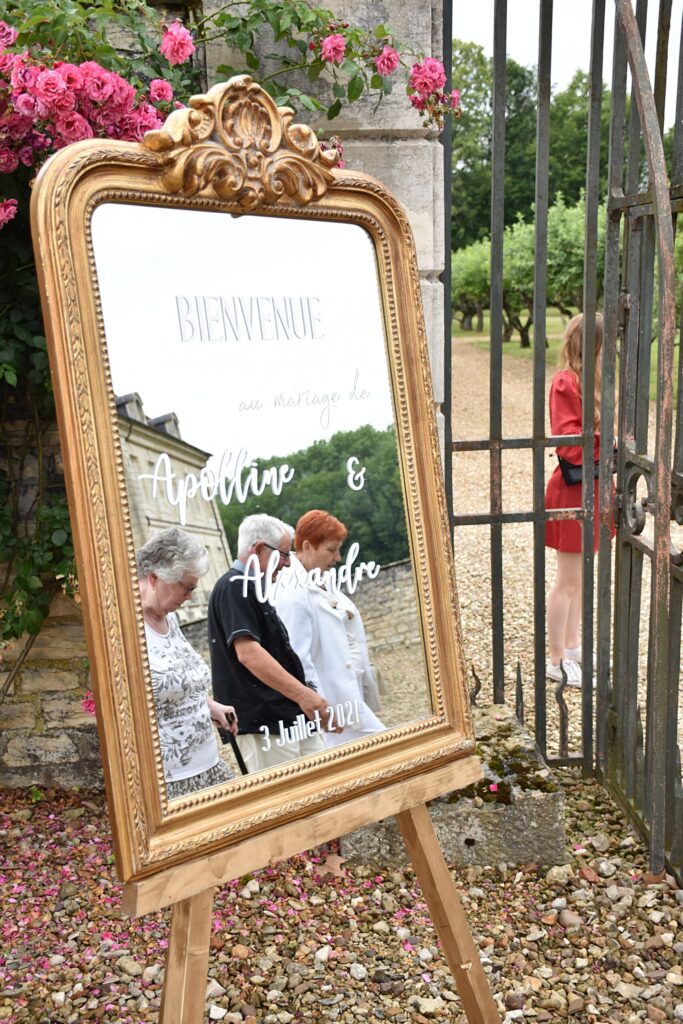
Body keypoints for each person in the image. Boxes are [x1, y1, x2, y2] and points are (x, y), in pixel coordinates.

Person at [208, 513, 331, 774]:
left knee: (324, 782)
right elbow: (249, 654)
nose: (287, 564)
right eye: (284, 554)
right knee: (289, 803)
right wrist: (304, 695)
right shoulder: (233, 587)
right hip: (263, 721)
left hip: (284, 715)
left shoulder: (251, 587)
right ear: (259, 550)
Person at [136, 527, 238, 798]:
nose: (190, 596)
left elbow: (176, 681)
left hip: (209, 767)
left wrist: (210, 705)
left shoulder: (169, 618)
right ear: (156, 577)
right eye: (187, 587)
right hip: (170, 782)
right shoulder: (127, 628)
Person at [275, 509, 386, 748]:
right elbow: (297, 656)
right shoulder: (290, 590)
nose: (338, 558)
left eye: (339, 549)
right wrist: (317, 704)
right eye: (331, 549)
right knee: (386, 747)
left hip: (347, 692)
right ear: (307, 546)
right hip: (329, 702)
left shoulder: (320, 578)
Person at [545, 312, 614, 687]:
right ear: (592, 344)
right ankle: (555, 659)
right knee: (567, 580)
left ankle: (571, 646)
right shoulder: (566, 383)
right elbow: (569, 444)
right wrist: (609, 443)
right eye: (607, 344)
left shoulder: (594, 382)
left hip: (594, 487)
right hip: (573, 490)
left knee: (580, 578)